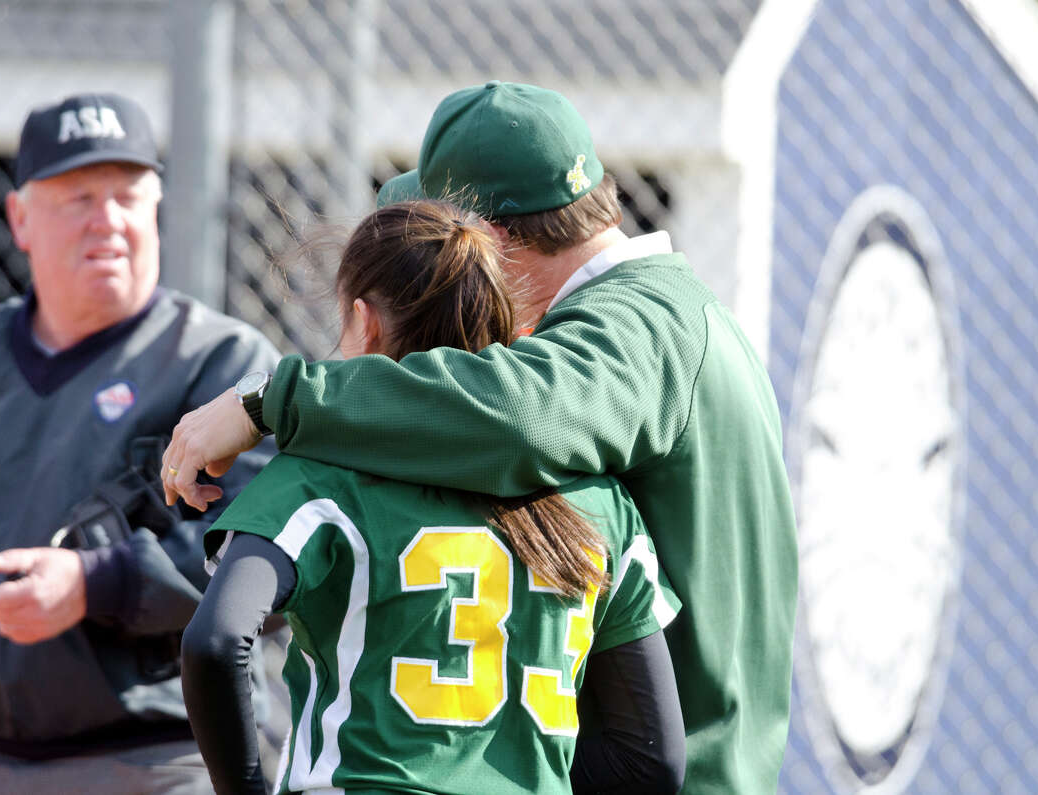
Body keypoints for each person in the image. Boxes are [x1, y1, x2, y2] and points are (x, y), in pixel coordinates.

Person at [163, 80, 799, 794]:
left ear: (489, 244)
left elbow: (512, 419)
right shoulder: (674, 310)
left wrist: (272, 400)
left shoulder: (634, 323)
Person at [0, 92, 280, 793]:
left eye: (127, 196)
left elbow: (262, 553)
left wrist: (96, 582)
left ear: (156, 208)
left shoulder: (223, 365)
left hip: (162, 757)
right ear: (20, 218)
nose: (107, 219)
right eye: (78, 197)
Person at [180, 199, 686, 794]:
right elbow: (651, 760)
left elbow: (216, 643)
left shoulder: (318, 477)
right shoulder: (599, 502)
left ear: (364, 321)